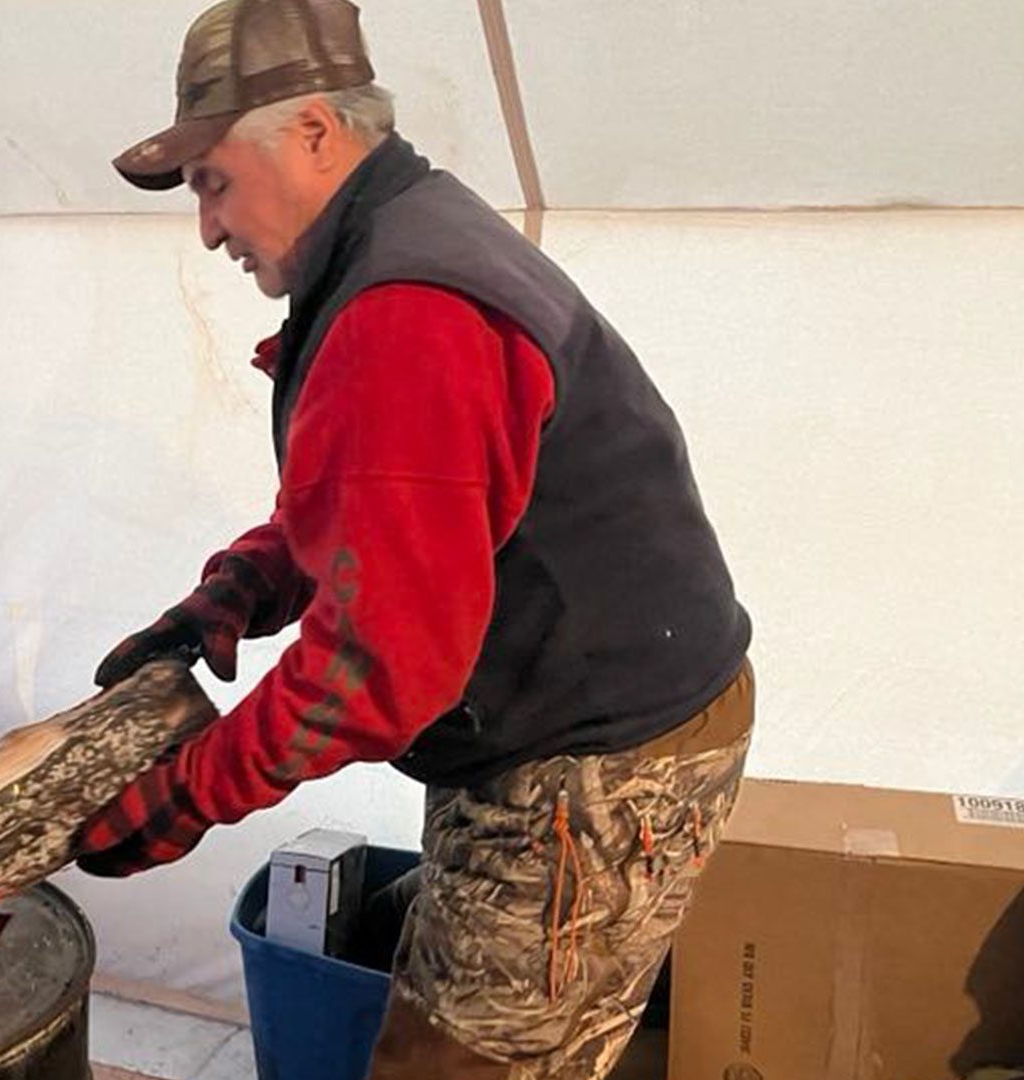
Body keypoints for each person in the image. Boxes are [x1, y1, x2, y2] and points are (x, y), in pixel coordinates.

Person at [68, 1, 755, 1077]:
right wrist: (246, 586)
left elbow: (381, 667)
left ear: (312, 133)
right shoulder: (400, 235)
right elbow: (392, 506)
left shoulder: (407, 308)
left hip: (593, 766)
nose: (207, 228)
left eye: (213, 181)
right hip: (567, 719)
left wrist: (190, 792)